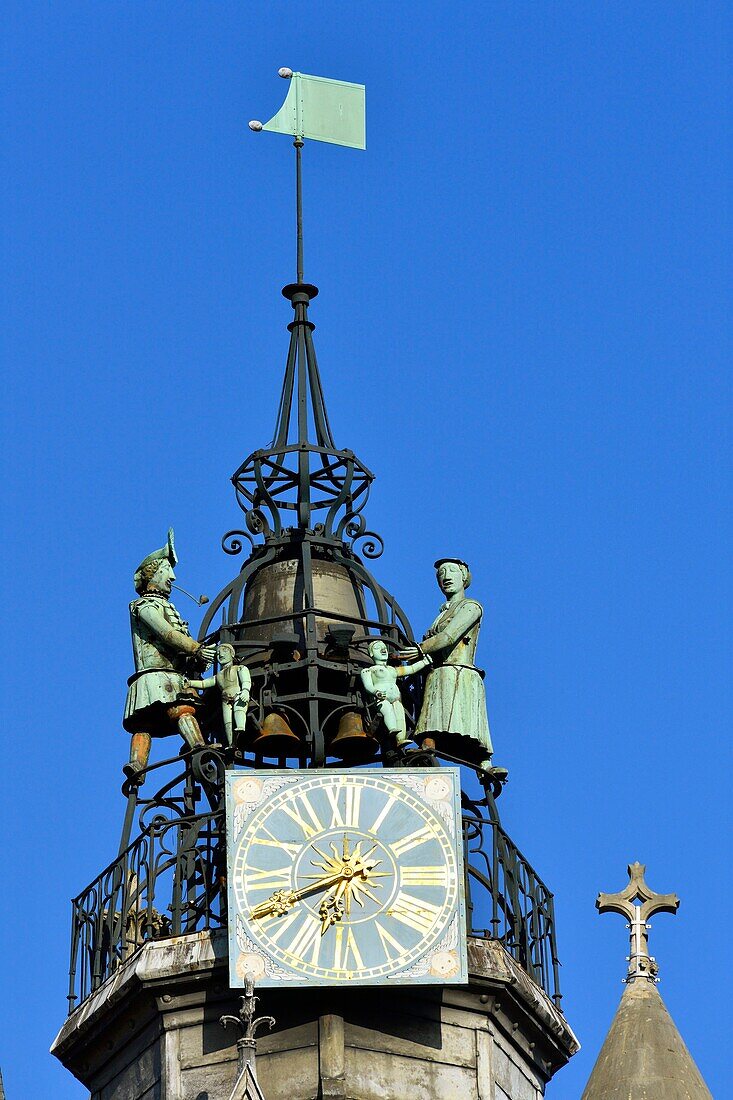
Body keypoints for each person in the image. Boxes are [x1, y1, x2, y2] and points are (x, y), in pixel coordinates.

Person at [123, 529, 216, 779]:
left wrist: (194, 658)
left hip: (169, 675)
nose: (173, 577)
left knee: (150, 722)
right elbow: (165, 633)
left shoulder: (164, 605)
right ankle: (140, 765)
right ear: (154, 573)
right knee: (177, 712)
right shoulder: (144, 606)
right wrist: (196, 649)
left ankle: (194, 747)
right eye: (168, 571)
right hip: (156, 677)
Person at [402, 558, 493, 770]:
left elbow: (449, 636)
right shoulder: (440, 614)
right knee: (431, 724)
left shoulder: (472, 607)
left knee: (466, 729)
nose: (446, 576)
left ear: (464, 576)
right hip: (438, 675)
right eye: (441, 573)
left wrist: (420, 648)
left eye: (451, 570)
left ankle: (483, 763)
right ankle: (428, 744)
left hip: (458, 674)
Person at [360, 638, 431, 747]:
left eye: (384, 647)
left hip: (396, 699)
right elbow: (368, 686)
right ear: (371, 653)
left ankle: (400, 739)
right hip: (381, 698)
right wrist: (376, 692)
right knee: (387, 710)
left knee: (400, 715)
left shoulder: (392, 669)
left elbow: (411, 669)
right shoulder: (369, 670)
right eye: (377, 648)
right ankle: (392, 729)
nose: (383, 649)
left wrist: (424, 662)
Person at [186, 642, 251, 749]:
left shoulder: (239, 668)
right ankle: (231, 744)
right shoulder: (218, 676)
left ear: (232, 654)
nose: (220, 655)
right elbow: (204, 684)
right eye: (218, 653)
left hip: (238, 694)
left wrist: (245, 691)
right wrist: (190, 683)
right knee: (227, 722)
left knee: (239, 711)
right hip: (225, 698)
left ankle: (240, 728)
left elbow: (246, 680)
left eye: (224, 651)